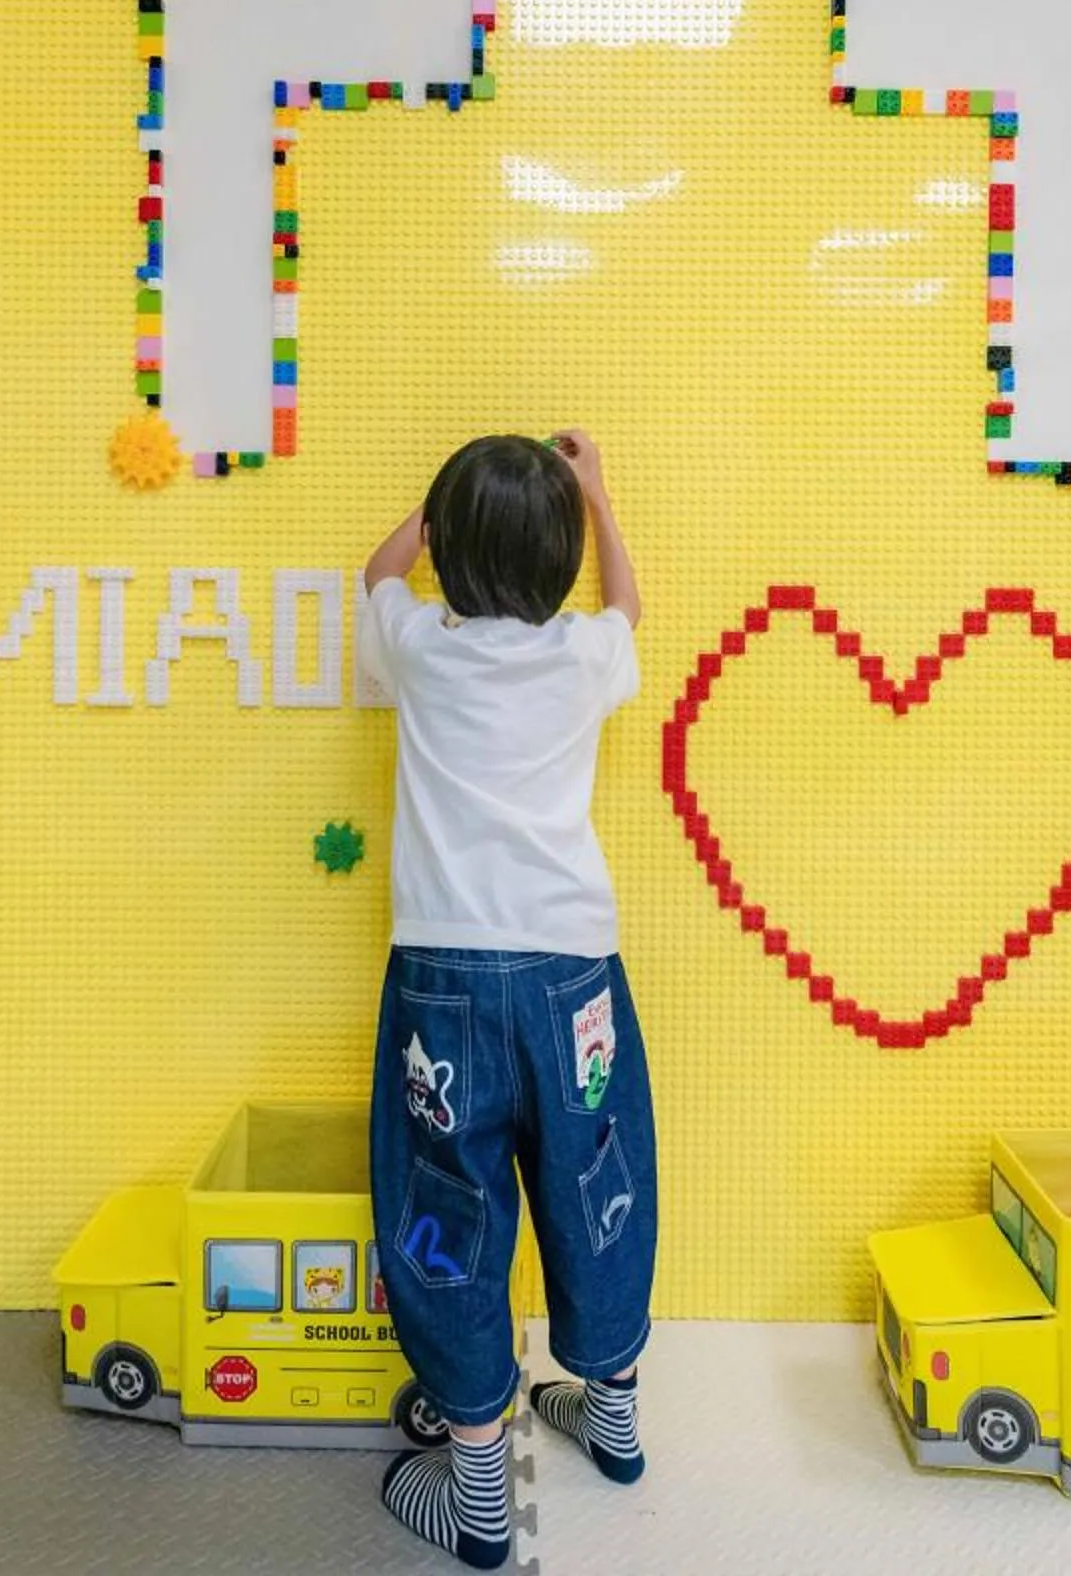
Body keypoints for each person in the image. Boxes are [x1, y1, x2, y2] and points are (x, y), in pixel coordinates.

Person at [357, 430, 654, 1569]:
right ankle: (612, 1419)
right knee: (598, 1176)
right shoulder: (584, 653)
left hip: (444, 978)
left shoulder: (422, 644)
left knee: (449, 1204)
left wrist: (426, 521)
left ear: (451, 548)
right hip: (574, 970)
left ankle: (480, 1494)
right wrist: (599, 494)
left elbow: (377, 575)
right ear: (561, 554)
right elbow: (629, 602)